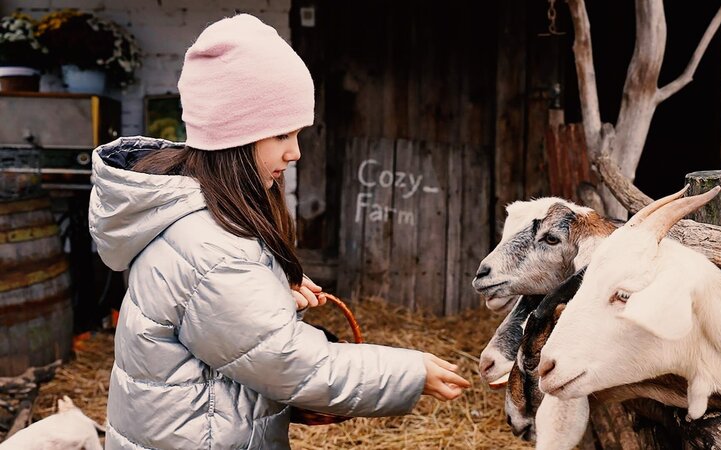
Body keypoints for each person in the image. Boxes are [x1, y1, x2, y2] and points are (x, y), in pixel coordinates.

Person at [88, 13, 470, 450]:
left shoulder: (194, 215)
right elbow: (290, 363)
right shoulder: (214, 247)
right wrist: (411, 372)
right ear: (234, 137)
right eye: (282, 134)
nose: (295, 152)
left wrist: (269, 294)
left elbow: (230, 332)